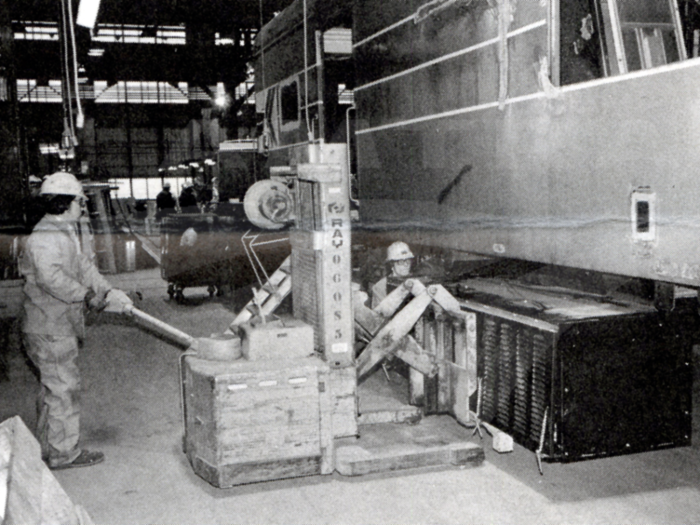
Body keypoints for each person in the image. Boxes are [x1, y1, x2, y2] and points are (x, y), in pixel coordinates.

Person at [19, 171, 133, 470]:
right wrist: (85, 295)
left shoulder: (62, 231)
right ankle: (63, 453)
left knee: (52, 387)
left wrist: (107, 289)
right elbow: (51, 278)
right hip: (49, 326)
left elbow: (82, 266)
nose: (82, 207)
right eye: (79, 202)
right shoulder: (45, 237)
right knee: (62, 389)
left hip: (55, 324)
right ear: (64, 203)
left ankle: (49, 446)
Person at [371, 241, 414, 309]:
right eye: (401, 262)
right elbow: (378, 315)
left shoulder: (416, 282)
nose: (406, 265)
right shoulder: (380, 287)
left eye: (408, 260)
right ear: (391, 264)